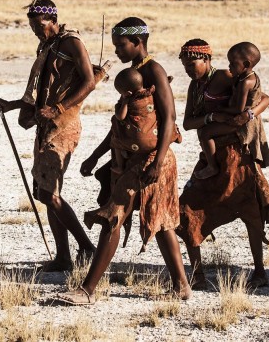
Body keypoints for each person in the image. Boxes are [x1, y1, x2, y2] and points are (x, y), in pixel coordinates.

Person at [62, 17, 191, 305]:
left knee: (117, 217)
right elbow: (122, 125)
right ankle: (181, 286)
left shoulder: (154, 70)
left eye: (121, 45)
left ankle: (87, 291)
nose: (117, 51)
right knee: (158, 223)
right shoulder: (132, 74)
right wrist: (96, 157)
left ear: (138, 42)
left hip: (150, 161)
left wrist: (156, 162)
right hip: (128, 161)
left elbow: (169, 117)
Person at [0, 0, 97, 271]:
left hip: (63, 125)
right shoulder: (47, 46)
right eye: (32, 26)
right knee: (44, 191)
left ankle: (86, 246)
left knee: (49, 194)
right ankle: (63, 257)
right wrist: (12, 105)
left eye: (40, 25)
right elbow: (42, 94)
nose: (37, 30)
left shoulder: (72, 42)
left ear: (53, 19)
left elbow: (89, 82)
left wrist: (59, 108)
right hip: (46, 124)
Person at [174, 39, 269, 291]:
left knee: (251, 213)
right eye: (185, 66)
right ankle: (197, 274)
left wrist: (247, 115)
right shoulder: (194, 86)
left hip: (237, 155)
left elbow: (264, 97)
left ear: (207, 60)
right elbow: (188, 123)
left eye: (193, 64)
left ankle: (260, 271)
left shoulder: (226, 76)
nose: (189, 70)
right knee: (186, 211)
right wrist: (212, 117)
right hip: (212, 156)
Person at [194, 42, 263, 180]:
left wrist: (221, 109)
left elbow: (239, 108)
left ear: (246, 64)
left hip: (242, 121)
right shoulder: (242, 77)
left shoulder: (245, 82)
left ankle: (212, 166)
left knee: (206, 133)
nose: (229, 66)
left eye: (232, 63)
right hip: (240, 116)